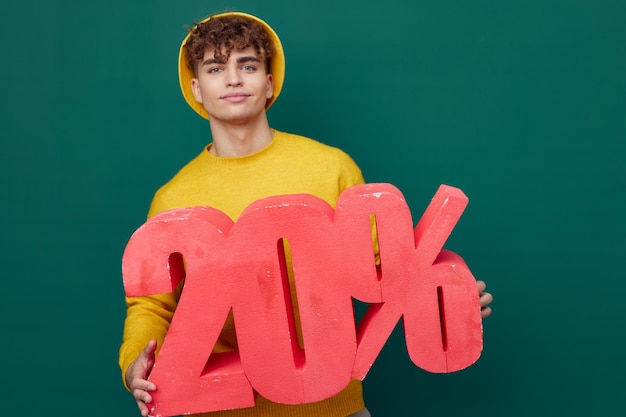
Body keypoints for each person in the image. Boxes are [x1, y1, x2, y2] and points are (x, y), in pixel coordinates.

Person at [119, 11, 493, 417]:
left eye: (248, 65)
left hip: (332, 406)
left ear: (269, 83)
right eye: (215, 67)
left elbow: (385, 271)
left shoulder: (331, 168)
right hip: (221, 408)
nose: (233, 79)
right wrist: (134, 363)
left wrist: (441, 301)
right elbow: (153, 307)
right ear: (196, 88)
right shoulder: (173, 198)